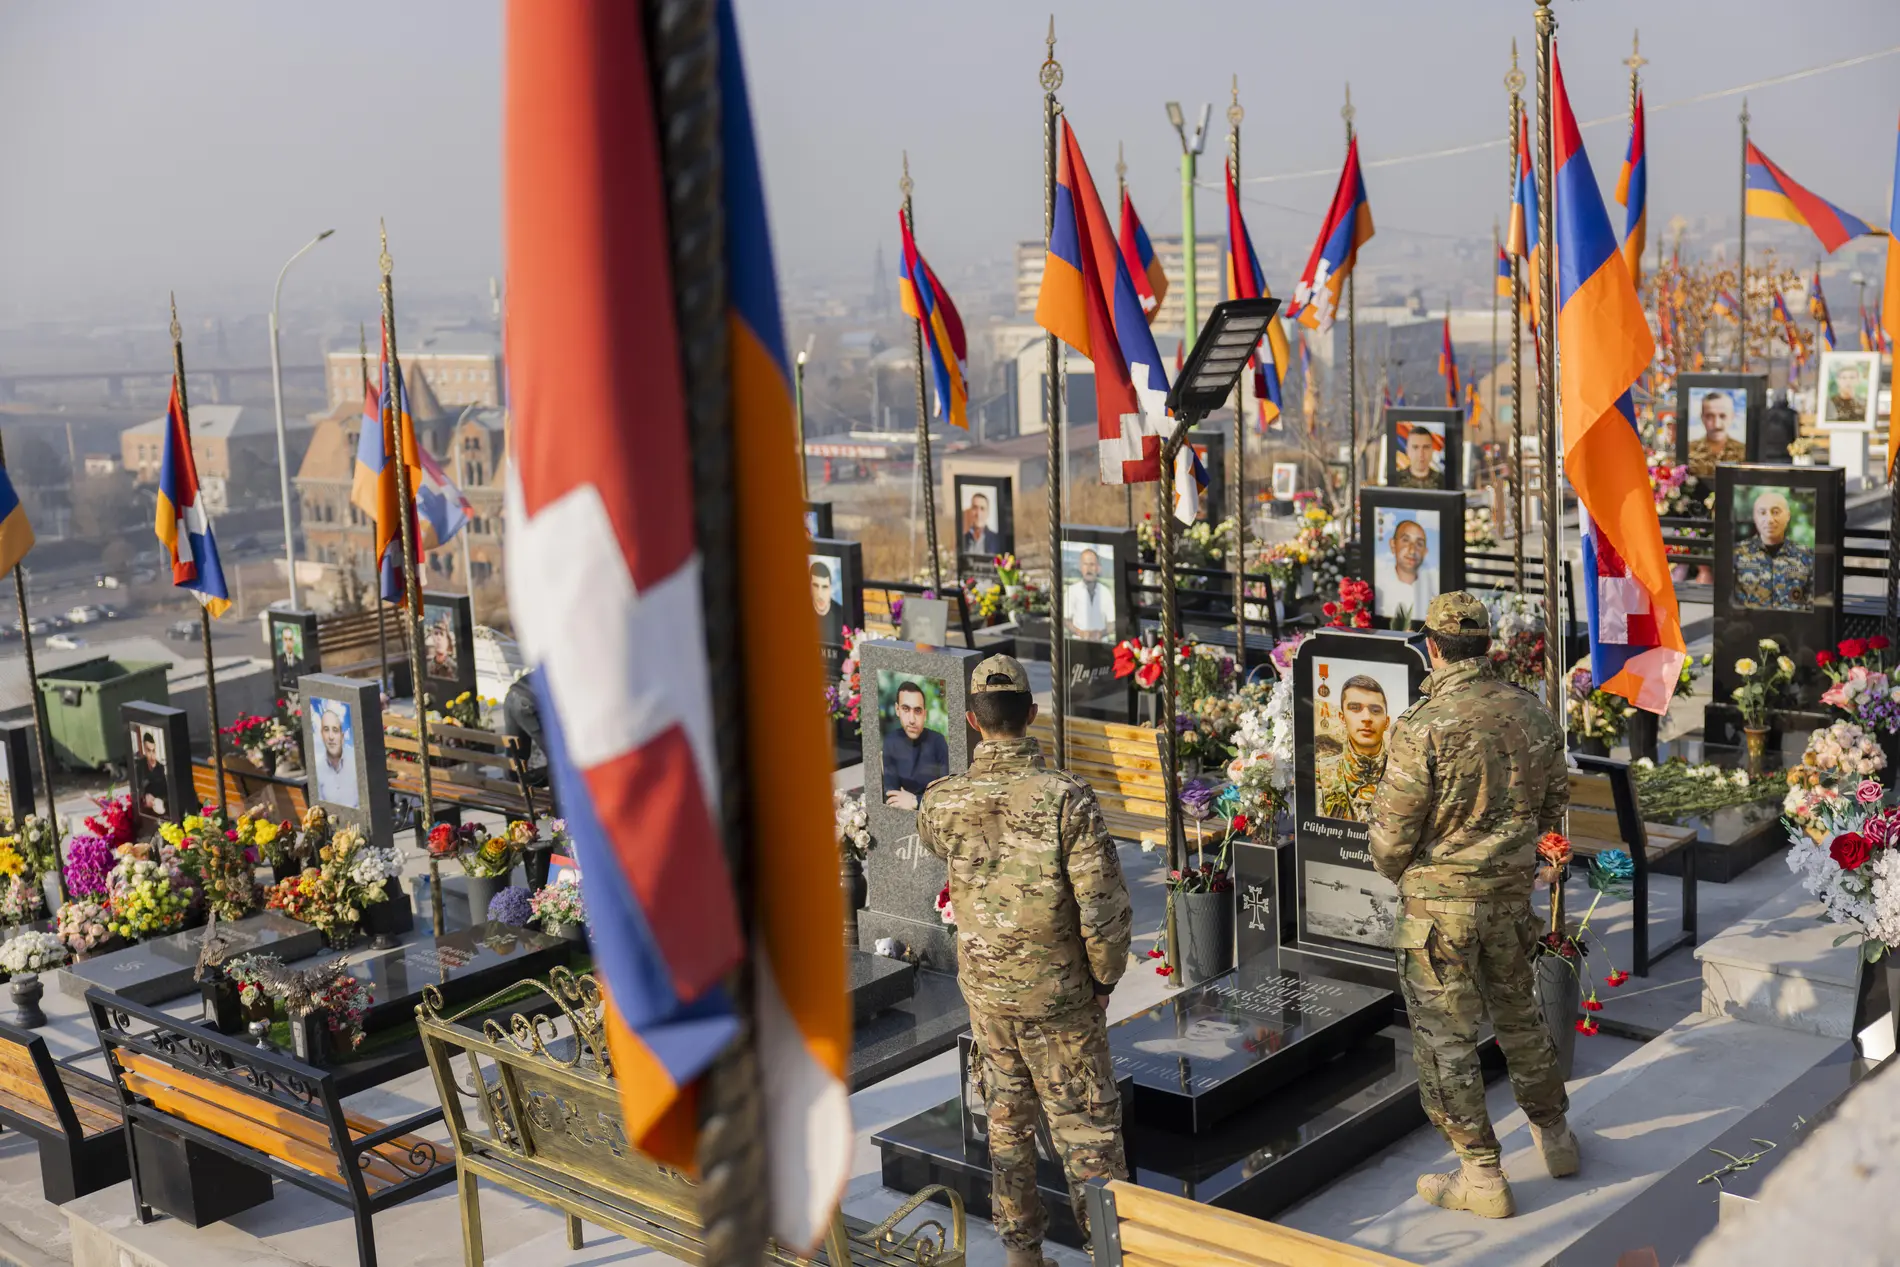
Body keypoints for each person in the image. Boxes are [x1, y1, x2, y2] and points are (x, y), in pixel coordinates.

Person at [918, 653, 1132, 1267]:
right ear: (1033, 714)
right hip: (1061, 1001)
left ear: (970, 721)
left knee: (1007, 1132)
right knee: (1089, 1139)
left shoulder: (943, 801)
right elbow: (1105, 908)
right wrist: (1103, 980)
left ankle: (1021, 1256)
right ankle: (1110, 1257)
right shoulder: (1067, 799)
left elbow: (938, 841)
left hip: (989, 1002)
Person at [1368, 591, 1576, 1219]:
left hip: (1440, 911)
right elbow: (1550, 807)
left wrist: (1418, 875)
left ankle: (1482, 1176)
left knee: (1447, 1040)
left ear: (1432, 644)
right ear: (1487, 646)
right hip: (1510, 901)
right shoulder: (1532, 711)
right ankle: (1557, 1140)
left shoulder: (1422, 725)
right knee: (1521, 1019)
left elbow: (1390, 838)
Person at [1315, 675, 1392, 821]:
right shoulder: (1320, 773)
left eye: (1375, 710)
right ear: (1342, 718)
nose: (1366, 718)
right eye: (1355, 708)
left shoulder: (1402, 774)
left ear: (1386, 722)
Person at [1734, 488, 1814, 610]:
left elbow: (1814, 604)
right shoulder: (1737, 554)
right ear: (1754, 517)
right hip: (1749, 626)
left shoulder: (1806, 556)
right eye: (1762, 513)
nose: (1770, 520)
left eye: (1776, 512)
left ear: (1788, 516)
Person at [881, 679, 948, 809]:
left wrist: (916, 801)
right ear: (897, 710)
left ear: (925, 714)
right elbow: (892, 795)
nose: (912, 720)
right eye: (906, 709)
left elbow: (948, 792)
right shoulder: (891, 741)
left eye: (917, 711)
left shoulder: (938, 742)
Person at [1373, 518, 1439, 622]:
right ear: (1393, 544)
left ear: (1425, 552)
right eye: (1405, 540)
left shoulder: (1435, 588)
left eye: (1419, 544)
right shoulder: (1378, 584)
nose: (1412, 550)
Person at [1686, 390, 1746, 479]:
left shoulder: (1744, 451)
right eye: (1709, 416)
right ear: (1702, 418)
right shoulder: (1688, 449)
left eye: (1722, 416)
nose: (1716, 424)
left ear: (1732, 416)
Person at [311, 700, 360, 808]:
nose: (331, 737)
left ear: (342, 736)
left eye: (335, 730)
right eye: (326, 730)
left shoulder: (357, 761)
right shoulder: (317, 766)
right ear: (322, 734)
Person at [1063, 548, 1113, 641]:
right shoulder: (1072, 590)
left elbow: (1112, 622)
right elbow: (1065, 620)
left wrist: (1100, 634)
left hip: (1101, 644)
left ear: (1098, 568)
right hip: (1078, 643)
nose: (1088, 569)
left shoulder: (1105, 592)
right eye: (1085, 564)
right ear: (1080, 567)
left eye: (1092, 564)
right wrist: (1080, 633)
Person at [1391, 424, 1444, 490]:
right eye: (1415, 447)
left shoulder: (1444, 482)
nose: (1421, 454)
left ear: (1432, 451)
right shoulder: (1394, 482)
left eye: (1426, 447)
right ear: (1408, 451)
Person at [809, 559, 844, 645]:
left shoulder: (842, 614)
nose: (820, 594)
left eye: (824, 587)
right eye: (815, 586)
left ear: (830, 588)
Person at [135, 728, 168, 817]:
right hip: (144, 809)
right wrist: (144, 796)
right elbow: (136, 788)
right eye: (149, 751)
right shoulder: (139, 766)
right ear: (144, 750)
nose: (152, 755)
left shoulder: (160, 767)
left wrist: (161, 801)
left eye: (153, 751)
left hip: (159, 808)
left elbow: (165, 789)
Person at [962, 491, 1001, 556]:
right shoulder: (963, 540)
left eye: (982, 509)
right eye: (975, 508)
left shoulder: (997, 540)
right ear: (971, 511)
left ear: (987, 513)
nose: (978, 514)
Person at [424, 610, 457, 681]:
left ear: (447, 640)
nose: (438, 638)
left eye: (442, 634)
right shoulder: (427, 668)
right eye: (436, 633)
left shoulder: (454, 668)